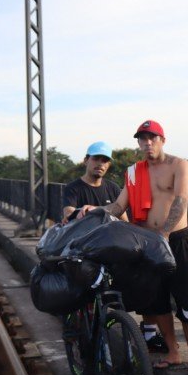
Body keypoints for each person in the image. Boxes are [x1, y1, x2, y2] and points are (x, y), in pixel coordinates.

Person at [79, 120, 188, 375]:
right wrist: (96, 212)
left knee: (187, 303)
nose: (147, 143)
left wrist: (165, 234)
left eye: (152, 138)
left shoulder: (178, 165)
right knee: (157, 302)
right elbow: (119, 205)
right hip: (146, 243)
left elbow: (181, 200)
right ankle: (173, 352)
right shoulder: (134, 171)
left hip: (176, 240)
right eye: (142, 139)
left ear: (162, 140)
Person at [64, 141, 168, 353]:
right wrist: (81, 212)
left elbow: (124, 218)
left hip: (109, 251)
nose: (100, 164)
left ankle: (146, 331)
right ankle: (83, 337)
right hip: (85, 252)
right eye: (96, 159)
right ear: (86, 160)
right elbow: (67, 213)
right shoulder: (73, 188)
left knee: (141, 279)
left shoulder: (112, 187)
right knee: (86, 297)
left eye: (105, 161)